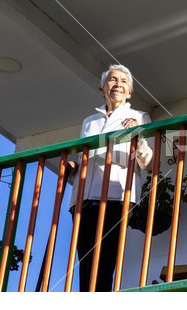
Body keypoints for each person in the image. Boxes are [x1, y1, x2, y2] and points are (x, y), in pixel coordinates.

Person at [68, 64, 153, 292]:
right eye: (113, 80)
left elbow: (149, 162)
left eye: (124, 82)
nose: (118, 84)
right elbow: (84, 157)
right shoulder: (89, 122)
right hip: (84, 199)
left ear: (130, 93)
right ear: (102, 88)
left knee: (105, 261)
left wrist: (138, 135)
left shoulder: (139, 116)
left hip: (116, 197)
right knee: (85, 262)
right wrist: (73, 168)